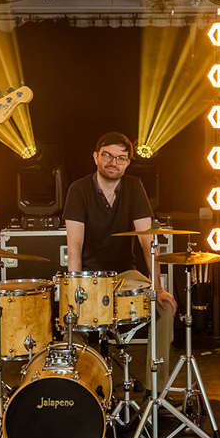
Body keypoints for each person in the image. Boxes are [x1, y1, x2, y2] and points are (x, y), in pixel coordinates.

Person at [63, 132, 176, 390]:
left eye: (121, 158)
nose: (114, 162)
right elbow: (75, 245)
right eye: (108, 155)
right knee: (71, 318)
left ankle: (155, 394)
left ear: (127, 163)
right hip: (90, 277)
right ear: (96, 157)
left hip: (126, 273)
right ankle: (83, 393)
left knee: (164, 309)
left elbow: (148, 242)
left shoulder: (134, 186)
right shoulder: (79, 189)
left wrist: (157, 288)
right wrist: (76, 288)